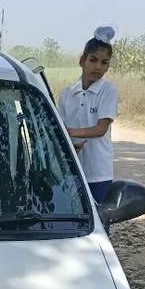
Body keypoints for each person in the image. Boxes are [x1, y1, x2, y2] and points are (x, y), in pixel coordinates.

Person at [58, 26, 118, 205]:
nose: (98, 67)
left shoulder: (107, 91)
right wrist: (69, 145)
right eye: (93, 60)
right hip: (71, 171)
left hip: (98, 173)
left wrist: (69, 134)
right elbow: (58, 129)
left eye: (104, 62)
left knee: (99, 221)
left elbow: (101, 129)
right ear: (82, 61)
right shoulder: (67, 94)